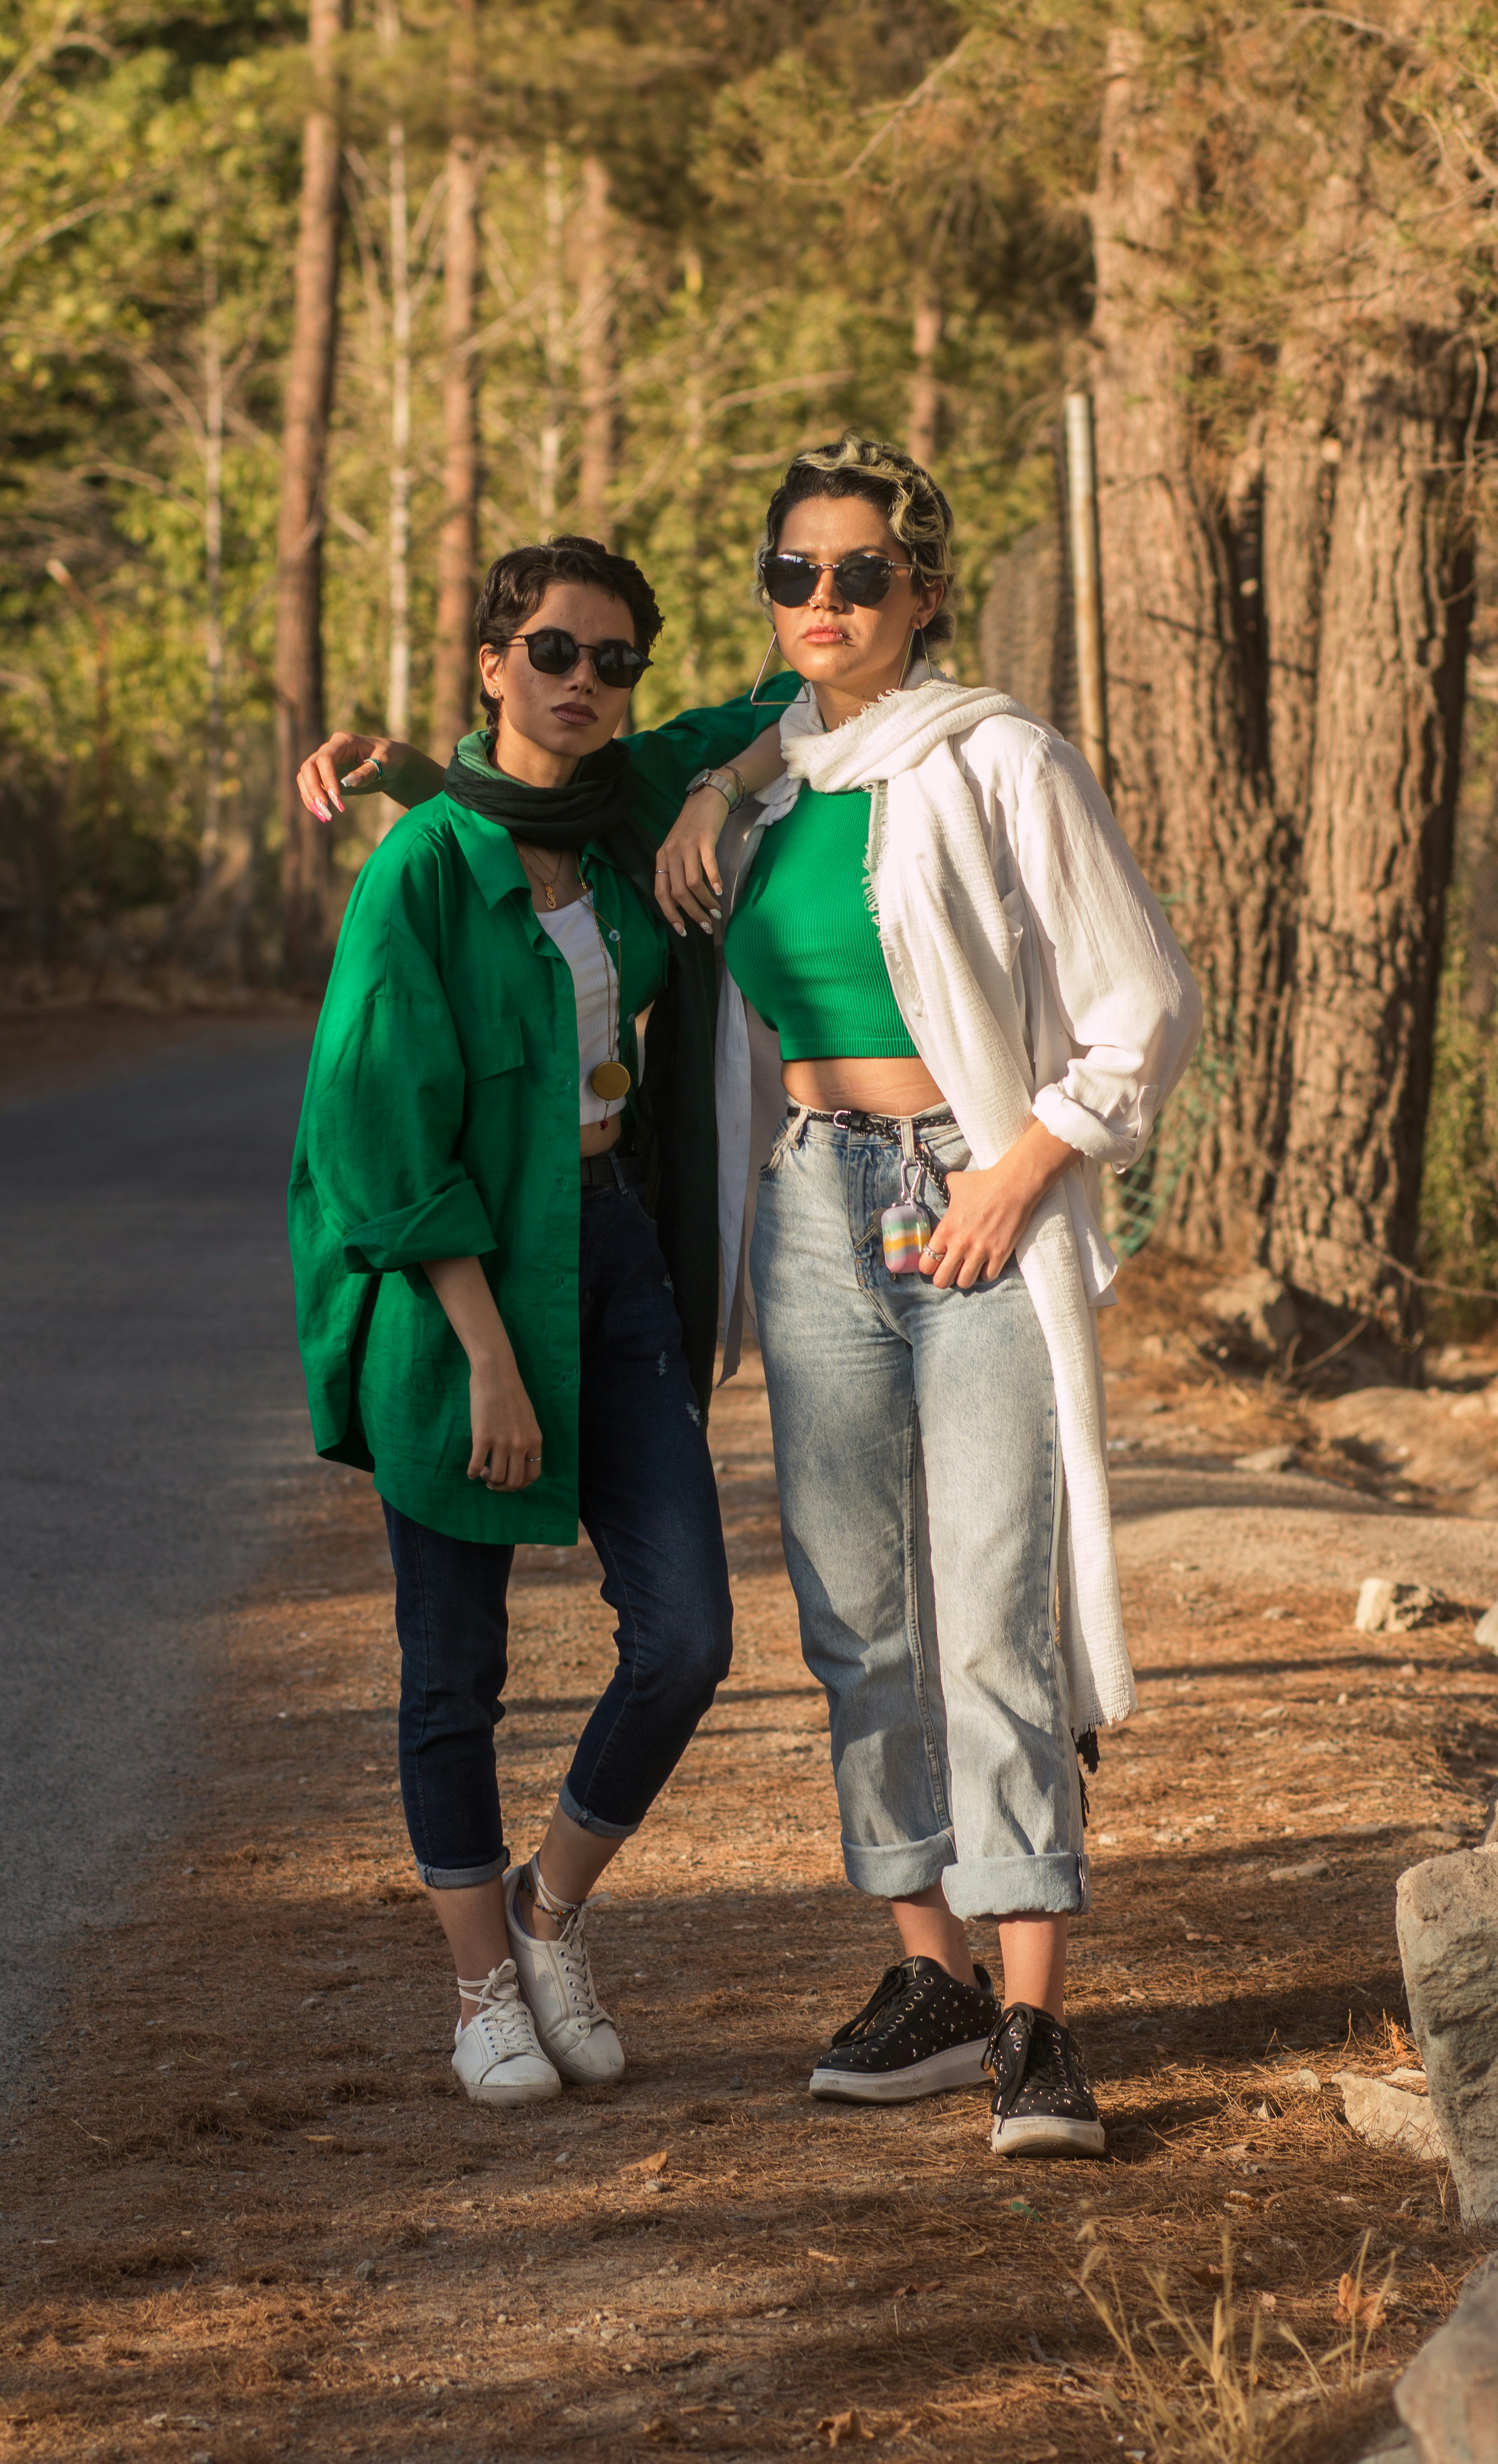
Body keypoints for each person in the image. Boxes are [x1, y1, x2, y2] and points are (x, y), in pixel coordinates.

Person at [654, 434, 1202, 2157]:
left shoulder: (1000, 757)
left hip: (972, 1196)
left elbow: (1143, 1005)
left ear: (925, 590)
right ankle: (932, 1973)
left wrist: (1020, 1173)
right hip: (810, 1205)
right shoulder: (763, 785)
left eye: (860, 574)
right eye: (794, 574)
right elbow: (587, 777)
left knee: (990, 1607)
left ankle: (1037, 2019)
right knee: (856, 1615)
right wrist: (699, 789)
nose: (824, 600)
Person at [287, 535, 787, 2109]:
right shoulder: (422, 867)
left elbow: (799, 693)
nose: (586, 682)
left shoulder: (625, 800)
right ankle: (479, 1994)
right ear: (494, 658)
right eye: (554, 653)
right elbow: (381, 1130)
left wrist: (710, 791)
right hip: (456, 1288)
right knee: (454, 1669)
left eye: (616, 659)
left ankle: (547, 1913)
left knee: (689, 1636)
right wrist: (489, 1354)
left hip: (611, 1248)